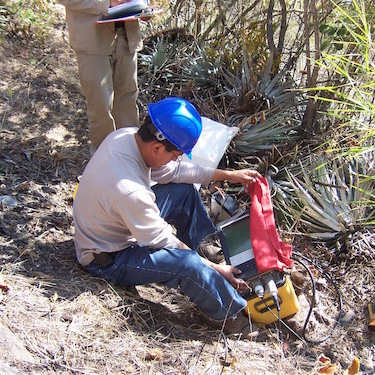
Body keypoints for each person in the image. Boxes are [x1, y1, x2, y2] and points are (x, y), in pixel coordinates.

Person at [73, 97, 262, 337]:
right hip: (108, 258)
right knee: (188, 265)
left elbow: (176, 172)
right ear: (158, 147)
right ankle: (226, 314)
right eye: (176, 154)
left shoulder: (127, 138)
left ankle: (203, 247)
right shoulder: (130, 190)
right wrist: (213, 268)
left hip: (116, 223)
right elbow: (163, 240)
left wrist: (228, 175)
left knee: (183, 191)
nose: (176, 159)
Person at [58, 0, 143, 152]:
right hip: (92, 40)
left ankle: (131, 160)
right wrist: (107, 3)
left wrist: (142, 7)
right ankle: (105, 162)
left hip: (127, 36)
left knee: (128, 101)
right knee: (100, 107)